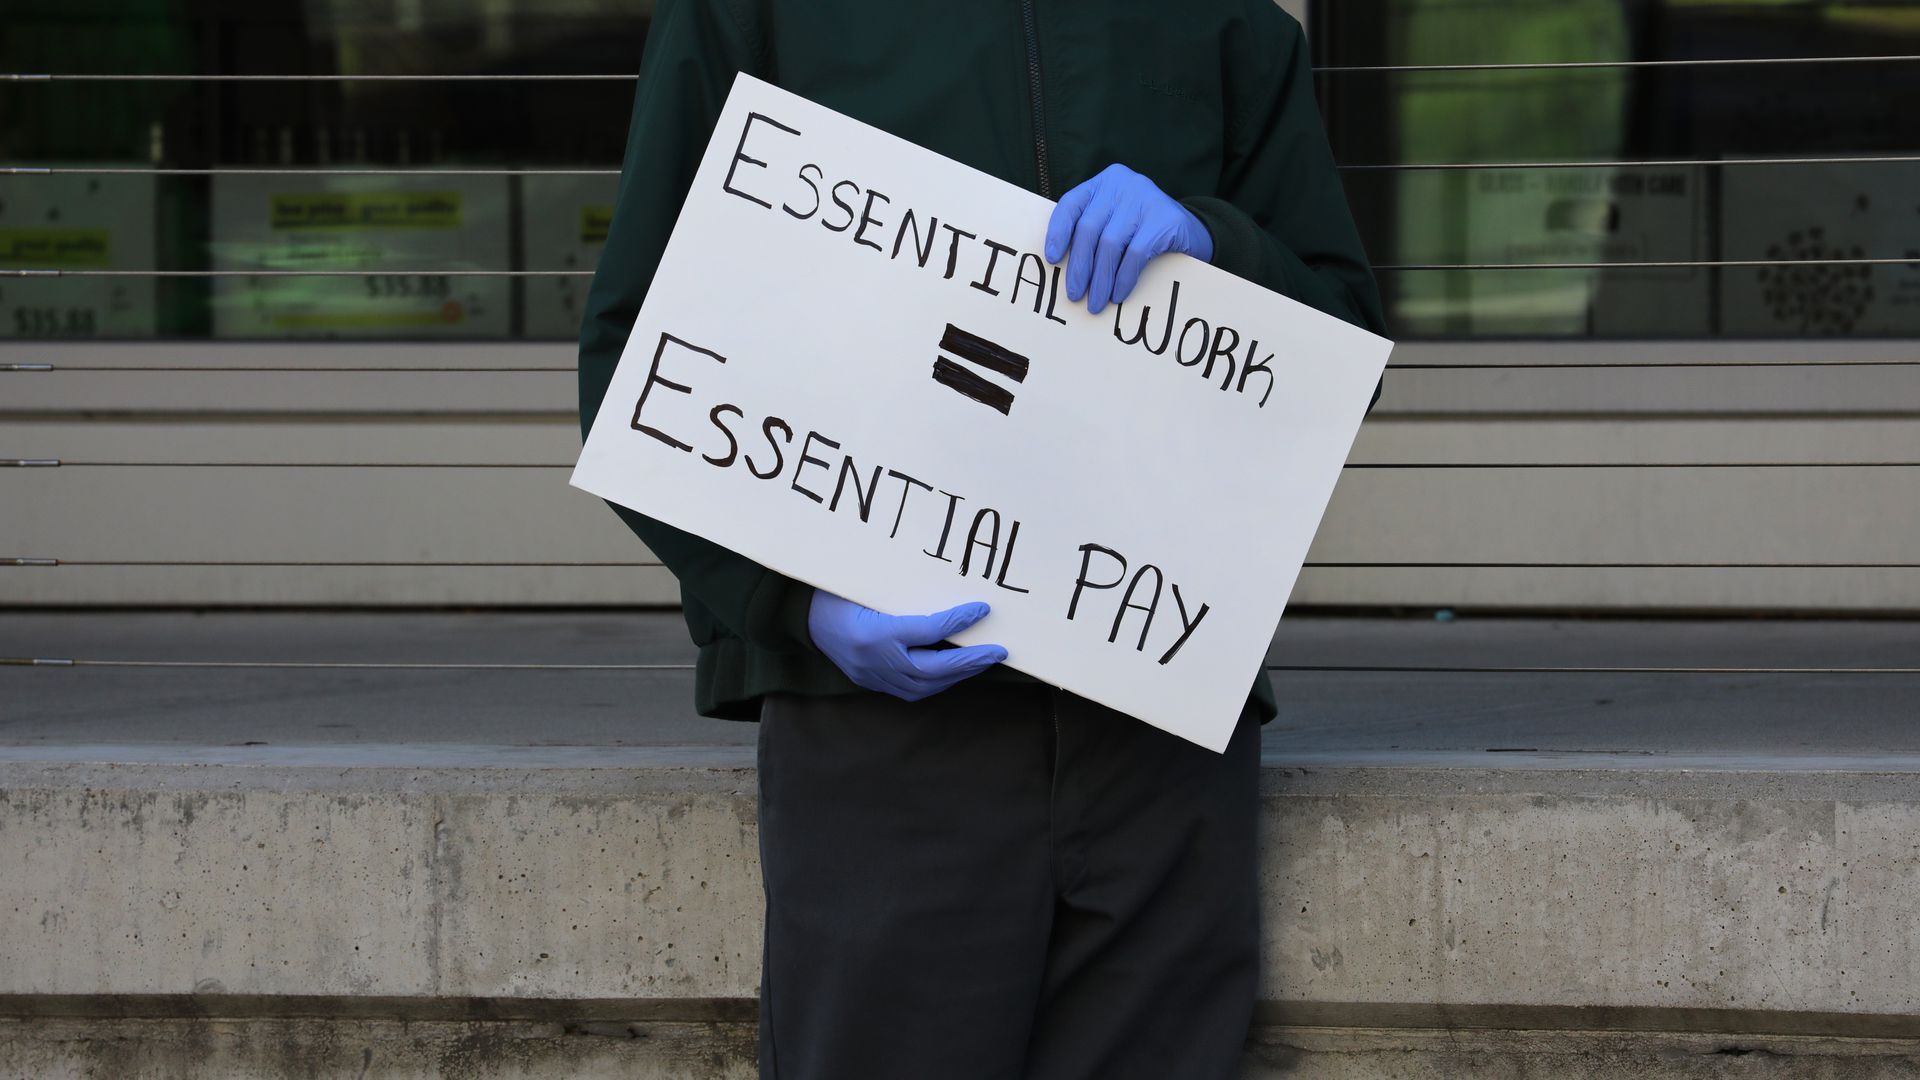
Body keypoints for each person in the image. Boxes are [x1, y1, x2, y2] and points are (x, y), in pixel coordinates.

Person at [578, 2, 1386, 1076]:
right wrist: (794, 603)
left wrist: (1215, 246)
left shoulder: (1226, 19)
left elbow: (1336, 339)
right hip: (881, 737)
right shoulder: (749, 10)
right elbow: (639, 350)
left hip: (1160, 729)